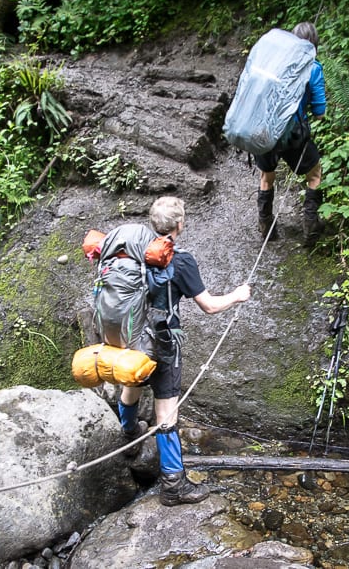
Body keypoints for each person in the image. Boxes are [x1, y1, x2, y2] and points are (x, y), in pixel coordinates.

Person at [117, 196, 252, 506]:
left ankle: (128, 438)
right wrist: (237, 295)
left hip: (132, 335)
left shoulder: (133, 252)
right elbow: (208, 306)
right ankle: (174, 485)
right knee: (166, 411)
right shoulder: (181, 260)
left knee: (131, 383)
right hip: (163, 341)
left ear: (153, 224)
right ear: (179, 225)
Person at [255, 21, 327, 247]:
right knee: (314, 174)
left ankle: (266, 226)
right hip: (292, 134)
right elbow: (319, 112)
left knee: (267, 175)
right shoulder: (313, 68)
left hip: (264, 130)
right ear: (314, 44)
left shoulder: (273, 63)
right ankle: (310, 228)